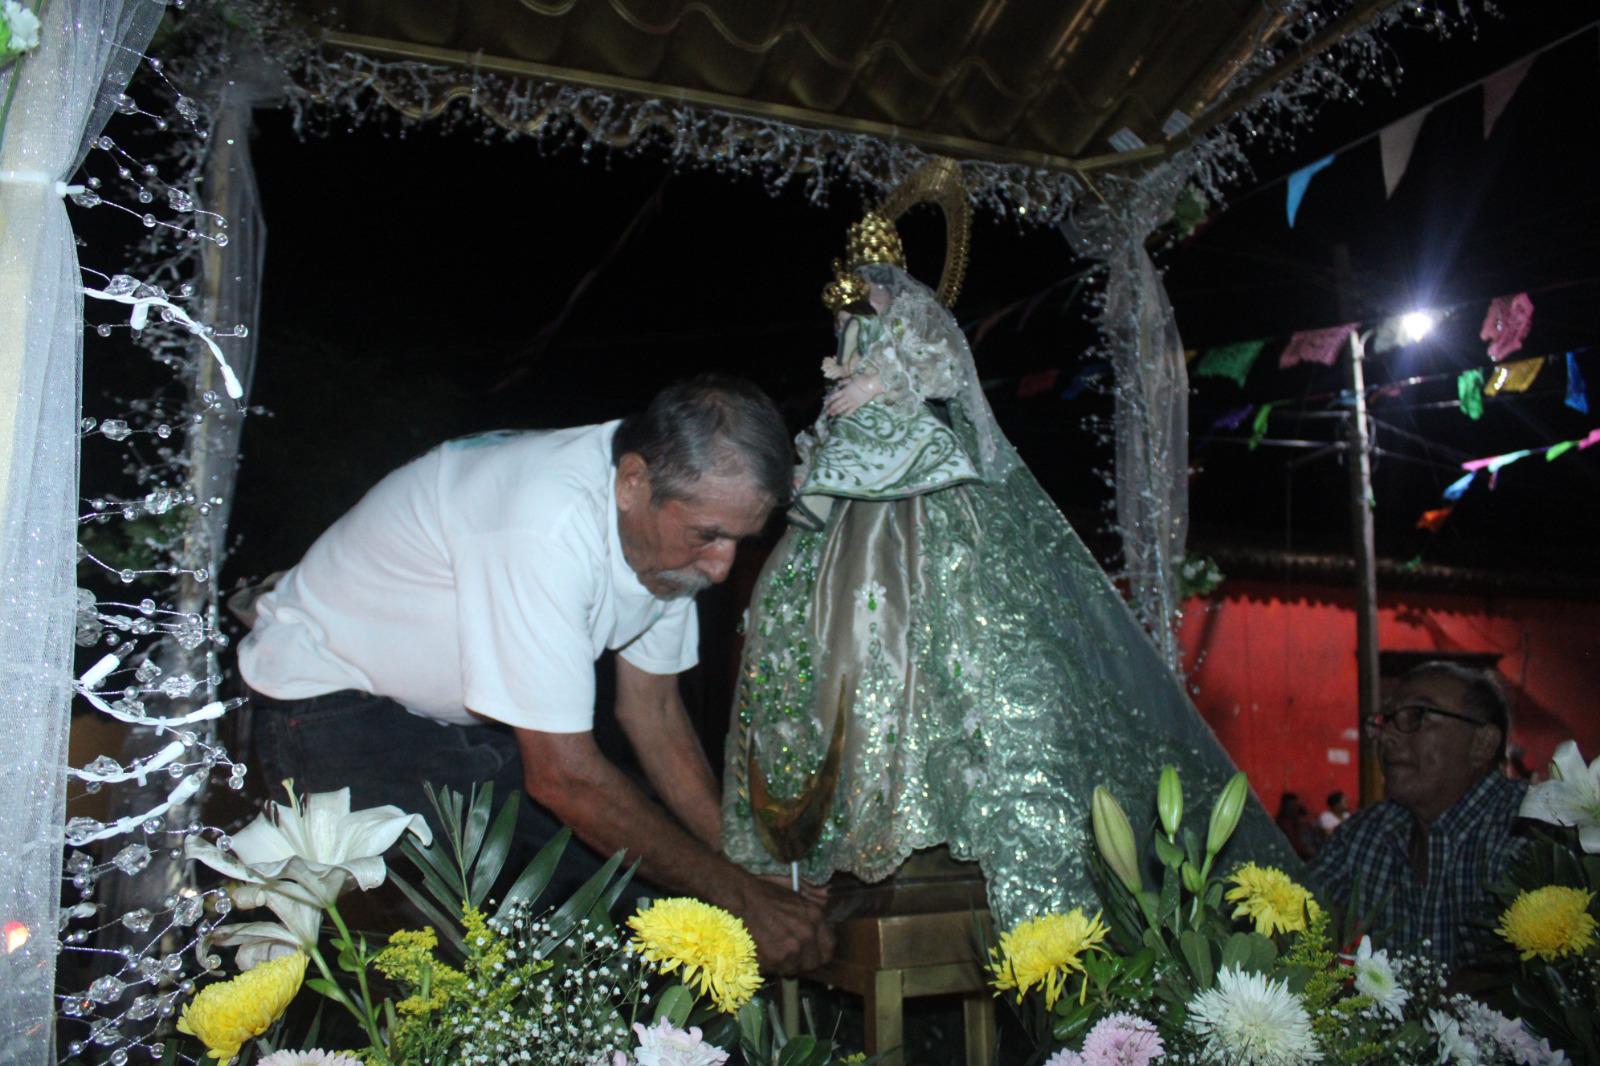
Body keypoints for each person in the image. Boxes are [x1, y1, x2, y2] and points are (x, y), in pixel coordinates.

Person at [720, 208, 1295, 931]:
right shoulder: (855, 323)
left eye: (867, 285)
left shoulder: (917, 319)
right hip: (852, 485)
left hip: (916, 481)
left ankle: (933, 811)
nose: (856, 304)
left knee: (934, 618)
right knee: (846, 628)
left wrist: (879, 385)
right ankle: (859, 815)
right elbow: (845, 379)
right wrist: (840, 402)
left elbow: (941, 367)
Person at [238, 376, 834, 974]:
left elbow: (651, 712)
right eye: (709, 535)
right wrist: (741, 897)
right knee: (564, 946)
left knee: (643, 912)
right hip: (329, 708)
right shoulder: (545, 523)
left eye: (740, 539)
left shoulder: (665, 536)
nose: (723, 566)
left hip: (452, 729)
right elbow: (564, 778)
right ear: (633, 482)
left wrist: (747, 866)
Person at [1308, 661, 1528, 969]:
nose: (1386, 738)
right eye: (1385, 721)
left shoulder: (1530, 831)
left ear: (1483, 743)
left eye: (1418, 716)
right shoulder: (1366, 833)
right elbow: (1296, 913)